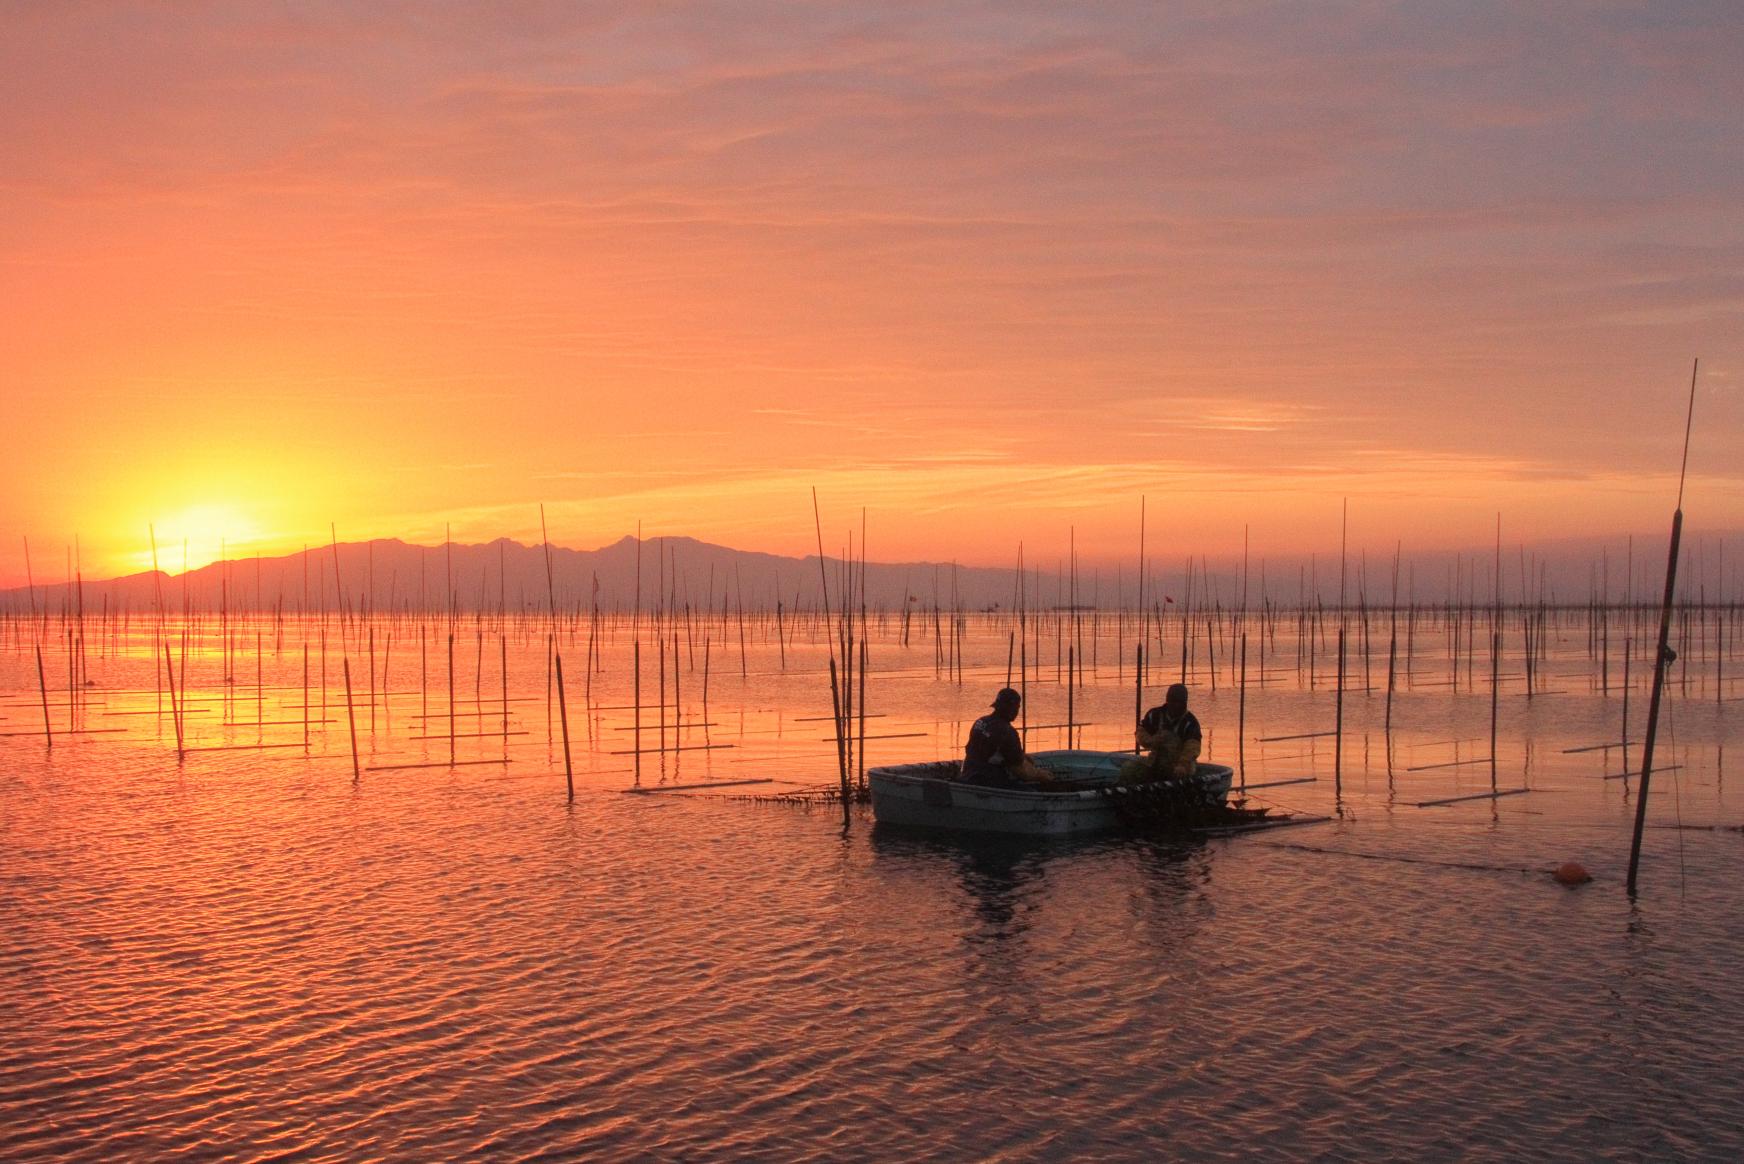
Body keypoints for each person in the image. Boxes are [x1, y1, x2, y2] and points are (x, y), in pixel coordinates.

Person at [961, 687, 1051, 787]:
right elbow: (1021, 771)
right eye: (1017, 707)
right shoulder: (1008, 732)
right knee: (1030, 790)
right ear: (1013, 709)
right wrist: (1041, 775)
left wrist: (1021, 756)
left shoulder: (980, 722)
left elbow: (989, 750)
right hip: (988, 781)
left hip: (967, 774)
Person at [1119, 683, 1203, 784]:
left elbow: (1193, 747)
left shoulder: (1190, 722)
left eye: (1178, 702)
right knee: (1128, 769)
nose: (1175, 705)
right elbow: (1140, 732)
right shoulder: (1155, 714)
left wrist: (1182, 764)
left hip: (1179, 766)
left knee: (1185, 771)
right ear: (1167, 700)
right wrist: (1150, 741)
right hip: (1155, 762)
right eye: (1172, 701)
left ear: (1184, 703)